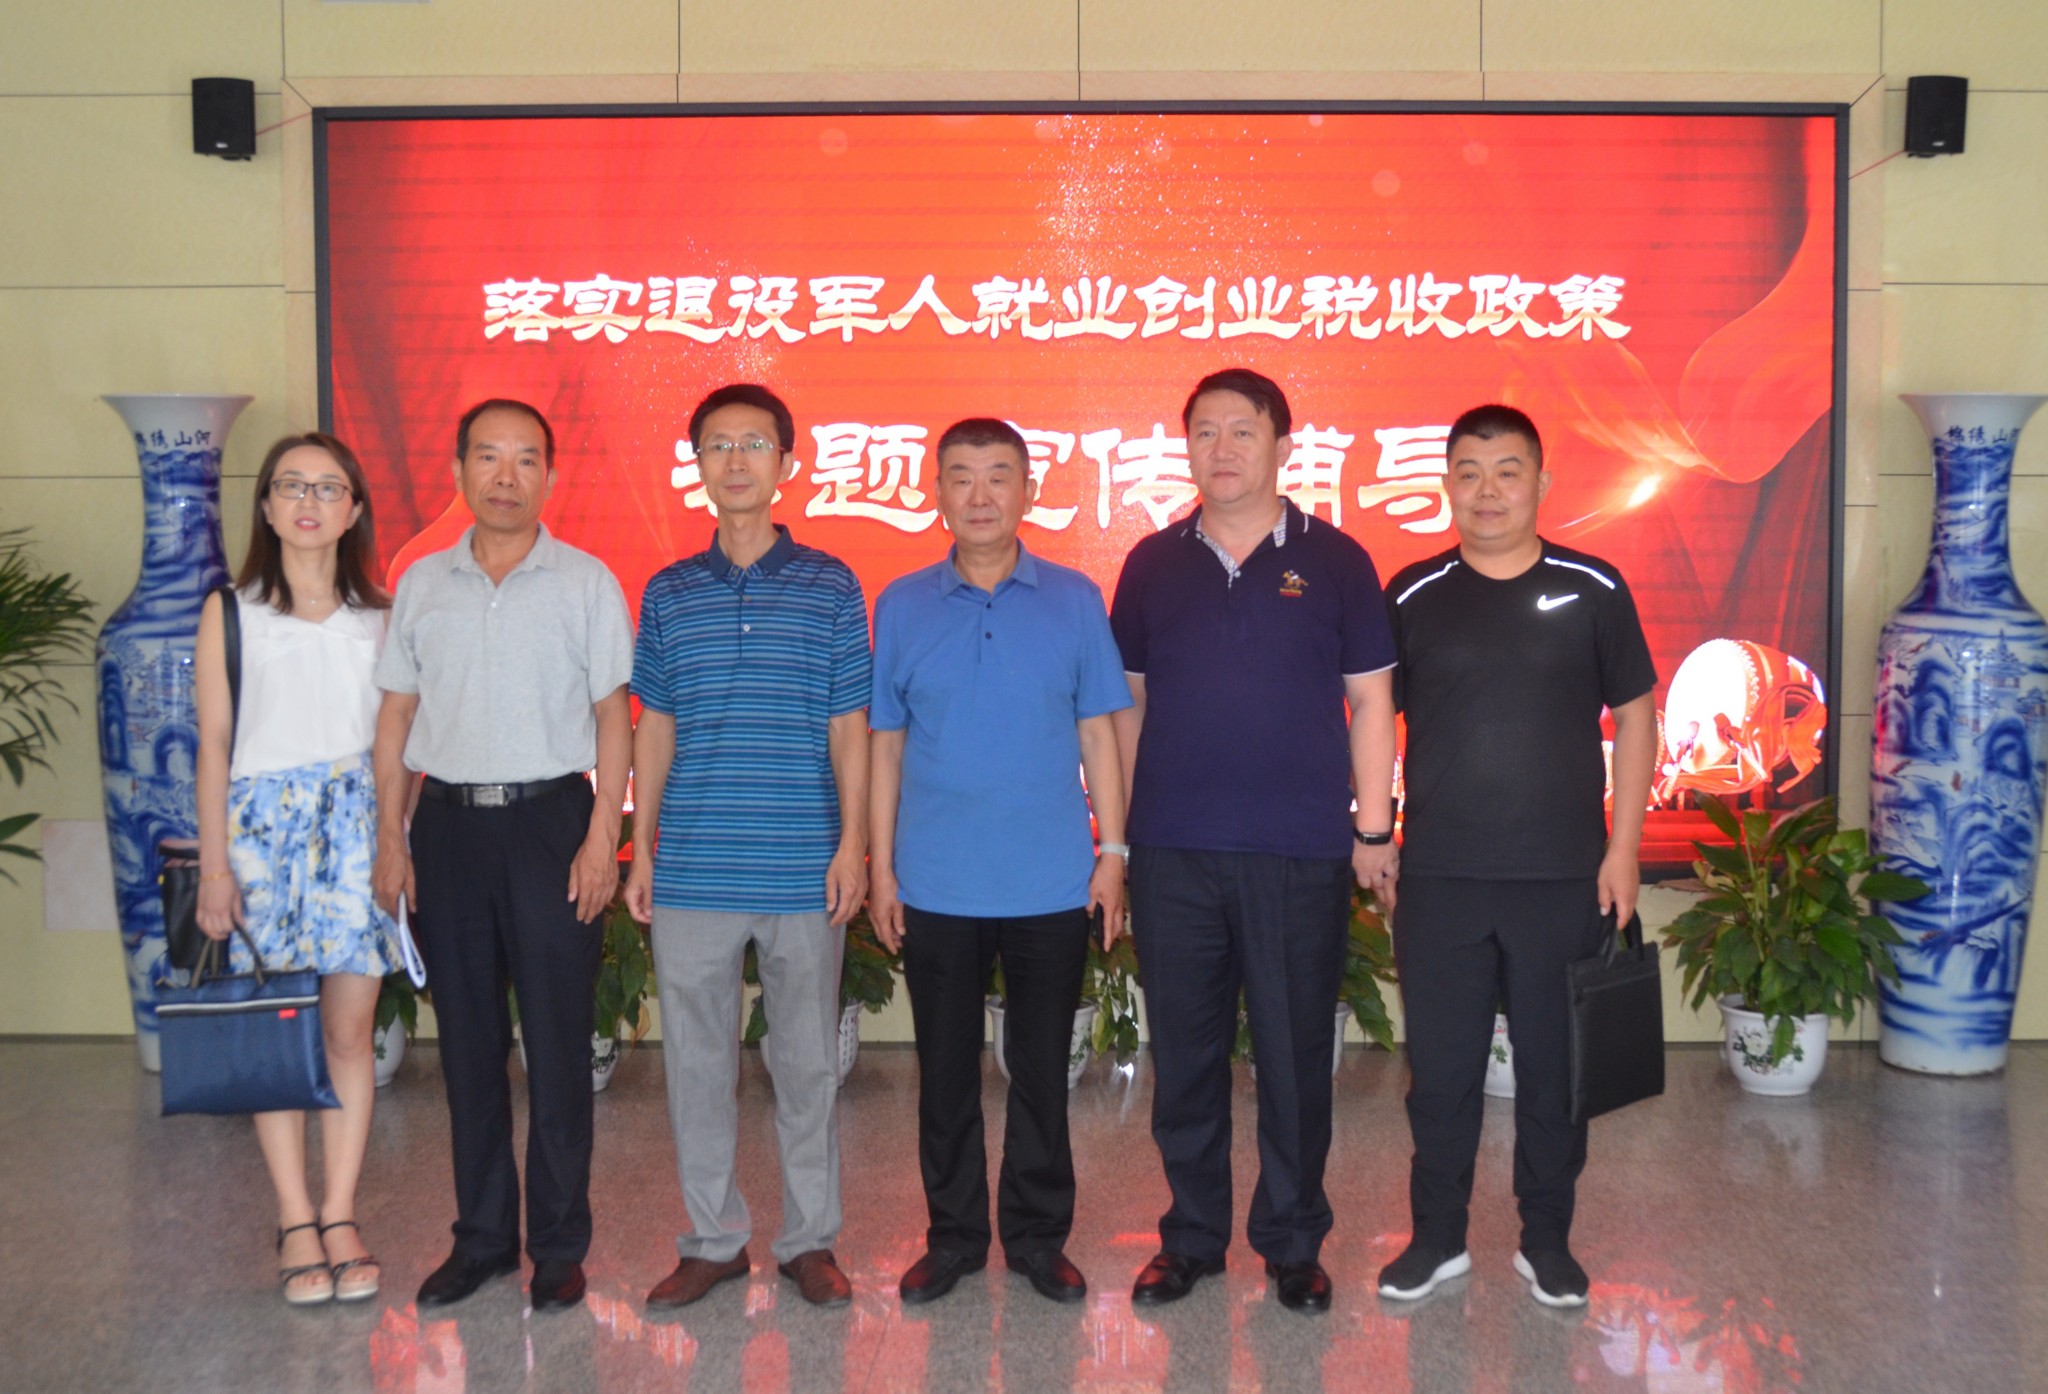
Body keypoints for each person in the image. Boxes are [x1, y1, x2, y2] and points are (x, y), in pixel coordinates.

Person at [1109, 368, 1398, 1314]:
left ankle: (1293, 1243)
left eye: (1243, 430)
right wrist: (1123, 839)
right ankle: (1191, 1238)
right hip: (1175, 851)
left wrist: (1373, 827)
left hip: (1297, 851)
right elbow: (1127, 708)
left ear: (1283, 444)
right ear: (1185, 446)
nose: (1222, 448)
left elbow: (1371, 702)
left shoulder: (1338, 560)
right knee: (1186, 1058)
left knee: (1294, 1055)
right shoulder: (1151, 563)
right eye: (1204, 431)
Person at [1374, 404, 1657, 1309]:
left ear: (1542, 482)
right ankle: (1437, 1240)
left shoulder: (1593, 587)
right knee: (1441, 1076)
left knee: (1553, 1072)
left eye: (1507, 471)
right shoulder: (1412, 594)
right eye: (1468, 472)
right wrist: (1374, 835)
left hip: (1563, 877)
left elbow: (1637, 718)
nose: (1487, 490)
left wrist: (1623, 849)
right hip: (1442, 879)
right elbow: (1372, 717)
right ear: (1446, 485)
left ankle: (1546, 1241)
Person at [371, 399, 634, 1313]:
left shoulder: (586, 582)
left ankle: (558, 1246)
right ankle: (482, 1238)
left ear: (549, 477)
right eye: (489, 457)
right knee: (468, 1049)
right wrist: (392, 838)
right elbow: (396, 717)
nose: (507, 476)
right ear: (459, 471)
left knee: (558, 1048)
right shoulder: (421, 584)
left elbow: (613, 715)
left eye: (526, 459)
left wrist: (602, 837)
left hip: (551, 823)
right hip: (447, 829)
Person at [868, 418, 1133, 1307]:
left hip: (1050, 883)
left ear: (1028, 490)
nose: (979, 496)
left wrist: (1113, 854)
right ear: (936, 492)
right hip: (936, 881)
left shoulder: (1074, 599)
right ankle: (952, 1238)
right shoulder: (902, 603)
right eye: (961, 477)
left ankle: (1035, 1236)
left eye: (997, 477)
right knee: (943, 1074)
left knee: (1041, 1070)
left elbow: (1098, 734)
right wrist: (881, 868)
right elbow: (886, 746)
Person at [624, 383, 871, 1311]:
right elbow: (656, 725)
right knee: (697, 1068)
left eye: (754, 444)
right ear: (696, 465)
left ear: (786, 464)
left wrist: (853, 845)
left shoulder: (832, 584)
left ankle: (810, 1241)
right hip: (693, 868)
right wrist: (641, 846)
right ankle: (713, 1240)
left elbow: (849, 726)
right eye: (718, 445)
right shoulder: (669, 592)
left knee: (805, 1065)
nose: (735, 460)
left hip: (804, 865)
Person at [192, 432, 399, 1306]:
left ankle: (340, 1211)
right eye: (291, 486)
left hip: (356, 832)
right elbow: (212, 743)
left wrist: (396, 843)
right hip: (259, 837)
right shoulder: (231, 611)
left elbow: (399, 747)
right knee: (277, 1032)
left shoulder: (381, 616)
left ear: (354, 510)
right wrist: (214, 867)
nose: (309, 501)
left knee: (350, 1032)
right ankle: (293, 1217)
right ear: (268, 507)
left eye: (328, 487)